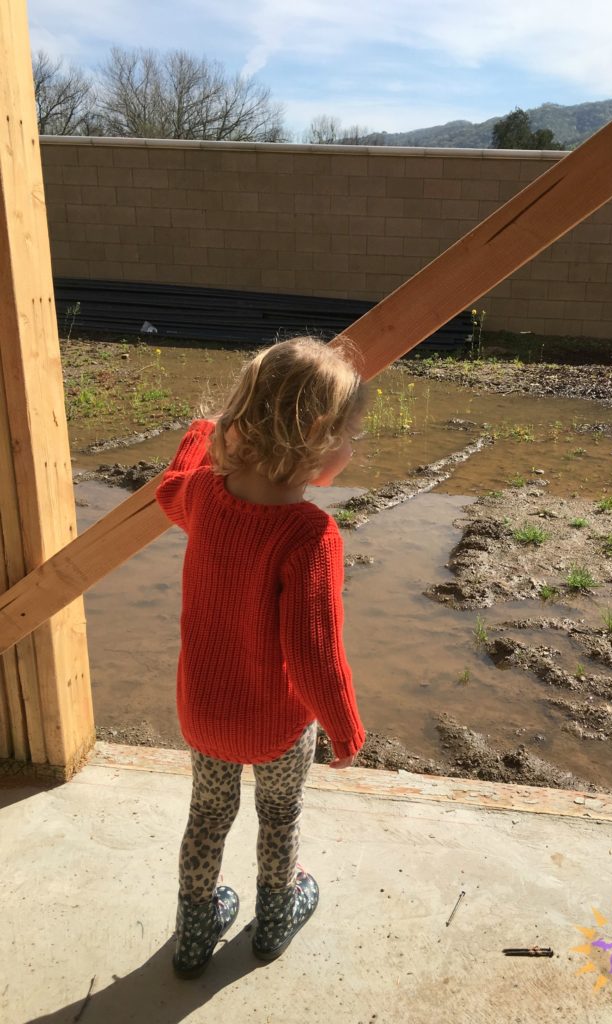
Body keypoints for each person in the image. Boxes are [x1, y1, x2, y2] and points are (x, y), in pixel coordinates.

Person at [155, 335, 368, 978]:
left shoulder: (203, 497)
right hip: (277, 728)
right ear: (320, 440)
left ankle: (194, 933)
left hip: (205, 716)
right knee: (280, 815)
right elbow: (314, 657)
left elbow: (170, 485)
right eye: (350, 435)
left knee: (208, 816)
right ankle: (275, 919)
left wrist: (203, 431)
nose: (353, 449)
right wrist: (345, 730)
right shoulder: (309, 534)